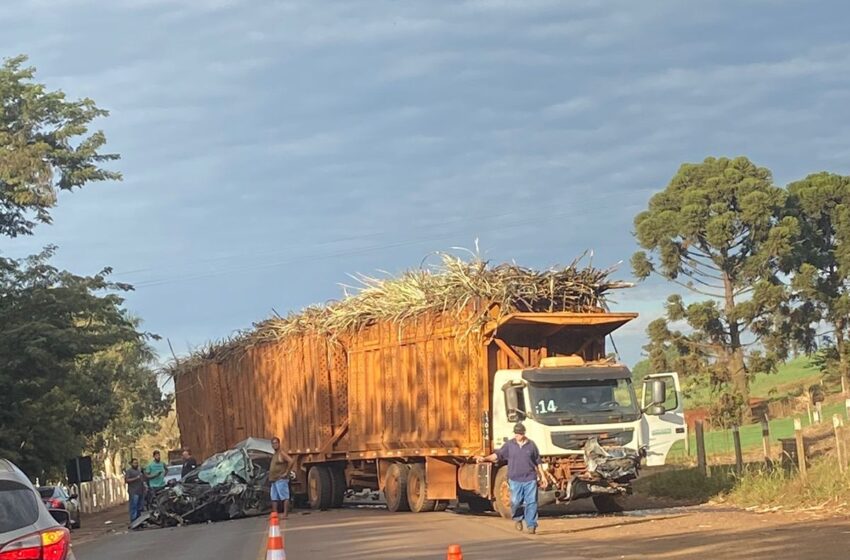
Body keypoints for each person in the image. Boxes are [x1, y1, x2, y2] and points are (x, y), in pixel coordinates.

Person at [475, 423, 546, 535]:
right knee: (515, 501)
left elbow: (538, 462)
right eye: (516, 434)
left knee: (531, 502)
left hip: (530, 478)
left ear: (524, 433)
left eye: (520, 434)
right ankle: (518, 518)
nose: (517, 436)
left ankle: (531, 525)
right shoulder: (509, 445)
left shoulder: (531, 445)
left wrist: (543, 476)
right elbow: (497, 456)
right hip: (515, 479)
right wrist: (484, 459)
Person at [269, 437, 295, 519]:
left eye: (276, 443)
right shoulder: (275, 454)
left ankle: (285, 514)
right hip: (274, 480)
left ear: (279, 444)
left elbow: (291, 461)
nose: (274, 445)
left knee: (284, 497)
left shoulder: (281, 453)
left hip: (280, 480)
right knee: (274, 498)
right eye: (273, 443)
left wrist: (286, 473)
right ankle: (275, 514)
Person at [124, 458, 145, 523]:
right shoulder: (129, 471)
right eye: (135, 463)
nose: (136, 464)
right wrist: (136, 478)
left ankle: (139, 521)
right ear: (131, 464)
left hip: (140, 491)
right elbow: (127, 480)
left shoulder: (139, 471)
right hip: (133, 491)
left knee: (140, 506)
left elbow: (142, 479)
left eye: (137, 463)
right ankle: (134, 520)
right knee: (134, 506)